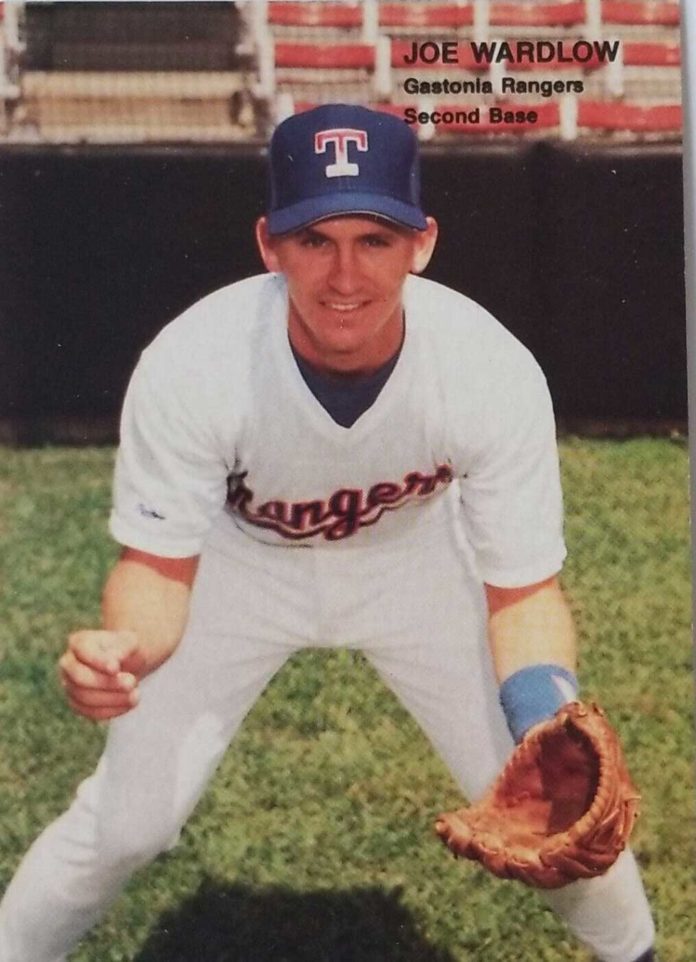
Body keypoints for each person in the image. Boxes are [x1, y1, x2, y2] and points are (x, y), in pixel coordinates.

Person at [0, 104, 655, 962]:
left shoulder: (487, 369)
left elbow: (522, 590)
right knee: (125, 825)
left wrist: (547, 717)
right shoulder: (195, 362)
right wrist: (122, 649)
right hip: (240, 569)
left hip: (417, 564)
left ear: (422, 242)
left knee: (567, 799)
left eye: (374, 240)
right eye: (316, 241)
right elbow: (158, 567)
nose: (344, 274)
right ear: (270, 244)